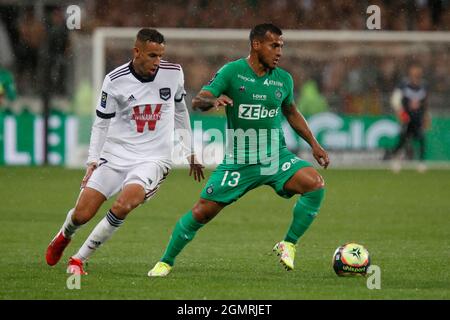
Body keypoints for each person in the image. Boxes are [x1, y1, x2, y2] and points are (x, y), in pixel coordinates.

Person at [148, 23, 329, 277]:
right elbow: (199, 100)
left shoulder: (283, 79)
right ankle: (165, 261)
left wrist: (314, 144)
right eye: (274, 45)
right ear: (256, 45)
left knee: (315, 184)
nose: (279, 52)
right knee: (201, 212)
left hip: (275, 158)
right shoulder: (232, 72)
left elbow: (291, 111)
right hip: (239, 162)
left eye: (281, 46)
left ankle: (288, 243)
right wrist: (214, 100)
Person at [45, 28, 205, 275]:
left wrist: (189, 149)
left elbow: (181, 111)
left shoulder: (173, 74)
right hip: (115, 154)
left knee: (123, 204)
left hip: (153, 158)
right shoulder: (114, 80)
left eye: (161, 55)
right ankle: (64, 235)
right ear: (137, 52)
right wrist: (92, 160)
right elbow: (102, 122)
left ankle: (78, 259)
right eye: (152, 55)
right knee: (82, 214)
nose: (157, 62)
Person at [386, 63, 430, 172]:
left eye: (418, 70)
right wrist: (401, 113)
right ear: (410, 71)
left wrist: (426, 116)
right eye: (414, 70)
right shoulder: (403, 84)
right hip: (406, 117)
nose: (416, 73)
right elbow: (395, 100)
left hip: (418, 117)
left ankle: (421, 162)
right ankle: (396, 159)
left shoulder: (424, 85)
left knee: (421, 138)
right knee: (403, 139)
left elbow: (425, 102)